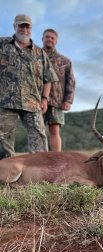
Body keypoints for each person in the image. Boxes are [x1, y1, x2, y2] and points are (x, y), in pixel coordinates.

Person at [0, 14, 58, 159]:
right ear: (14, 26)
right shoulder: (2, 44)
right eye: (21, 26)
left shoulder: (40, 53)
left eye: (27, 26)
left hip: (32, 102)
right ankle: (6, 175)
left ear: (31, 29)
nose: (24, 29)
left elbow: (48, 79)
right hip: (5, 101)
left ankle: (40, 171)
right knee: (3, 139)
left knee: (39, 136)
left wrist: (44, 98)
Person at [42, 28, 76, 152]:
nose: (49, 39)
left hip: (56, 101)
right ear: (42, 38)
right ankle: (39, 160)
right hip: (36, 99)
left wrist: (68, 100)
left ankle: (56, 160)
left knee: (54, 131)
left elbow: (71, 81)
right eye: (47, 37)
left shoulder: (65, 61)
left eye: (52, 38)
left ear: (56, 41)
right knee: (37, 131)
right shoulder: (35, 56)